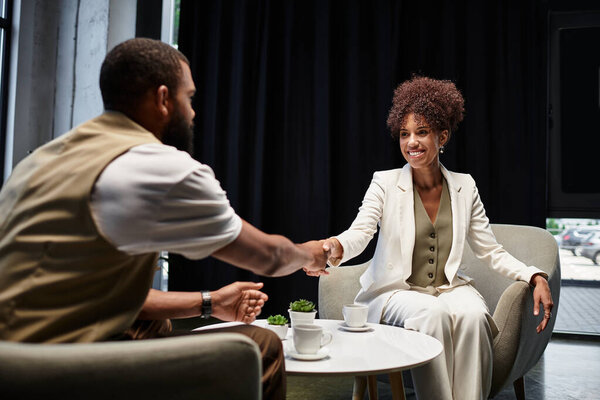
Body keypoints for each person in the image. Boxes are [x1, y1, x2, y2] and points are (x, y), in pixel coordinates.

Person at [0, 38, 328, 400]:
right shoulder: (158, 167)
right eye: (189, 98)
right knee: (259, 346)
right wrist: (311, 254)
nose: (192, 113)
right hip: (49, 368)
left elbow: (90, 293)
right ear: (162, 99)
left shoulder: (41, 161)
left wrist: (211, 301)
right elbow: (269, 257)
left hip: (12, 352)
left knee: (156, 324)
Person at [309, 76, 554, 400]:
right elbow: (360, 232)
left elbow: (490, 249)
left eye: (421, 132)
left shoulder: (465, 187)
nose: (411, 142)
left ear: (442, 136)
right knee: (433, 314)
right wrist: (332, 248)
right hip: (394, 292)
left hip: (449, 287)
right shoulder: (384, 183)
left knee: (473, 317)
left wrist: (534, 274)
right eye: (404, 134)